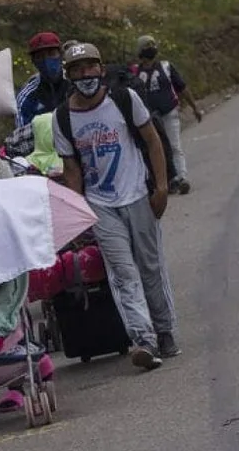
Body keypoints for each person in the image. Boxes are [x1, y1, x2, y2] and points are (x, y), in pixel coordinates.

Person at [50, 41, 180, 369]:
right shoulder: (63, 117)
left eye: (90, 67)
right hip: (101, 205)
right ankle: (143, 339)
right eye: (77, 70)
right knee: (122, 273)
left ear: (102, 68)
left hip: (137, 194)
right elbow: (72, 169)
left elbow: (152, 140)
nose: (85, 74)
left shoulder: (124, 99)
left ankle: (164, 331)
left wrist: (162, 187)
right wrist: (78, 214)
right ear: (69, 76)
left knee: (150, 267)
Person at [131, 35, 201, 196]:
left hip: (169, 112)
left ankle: (181, 177)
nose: (151, 48)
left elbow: (182, 87)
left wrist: (194, 107)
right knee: (155, 148)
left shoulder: (166, 67)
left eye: (152, 45)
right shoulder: (135, 72)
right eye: (147, 46)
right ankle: (164, 180)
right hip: (147, 118)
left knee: (174, 146)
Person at [14, 30, 69, 128]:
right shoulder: (27, 96)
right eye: (40, 57)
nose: (47, 61)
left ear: (60, 55)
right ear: (33, 61)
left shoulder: (74, 83)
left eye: (51, 54)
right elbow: (21, 135)